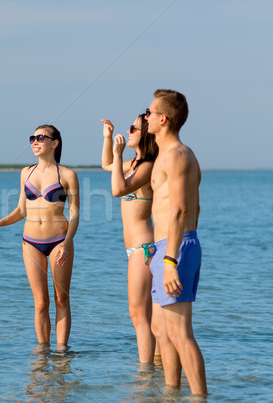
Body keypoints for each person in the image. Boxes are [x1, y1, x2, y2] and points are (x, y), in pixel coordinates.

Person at [0, 125, 79, 350]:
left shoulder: (67, 175)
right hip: (30, 242)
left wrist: (66, 242)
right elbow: (22, 210)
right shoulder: (26, 172)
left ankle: (62, 354)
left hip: (59, 241)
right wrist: (0, 222)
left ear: (54, 143)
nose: (35, 141)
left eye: (41, 138)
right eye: (32, 138)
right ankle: (43, 354)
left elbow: (74, 214)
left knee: (61, 300)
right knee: (40, 303)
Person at [145, 89, 206, 394]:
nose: (146, 117)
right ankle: (172, 395)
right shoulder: (164, 157)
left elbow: (182, 209)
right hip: (165, 248)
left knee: (180, 333)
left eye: (149, 112)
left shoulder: (178, 156)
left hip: (176, 248)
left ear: (163, 119)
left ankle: (199, 398)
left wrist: (170, 260)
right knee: (163, 332)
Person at [101, 115, 159, 364]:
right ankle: (157, 368)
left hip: (143, 247)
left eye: (134, 127)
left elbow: (117, 190)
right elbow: (107, 166)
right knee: (147, 315)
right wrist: (107, 140)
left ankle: (145, 375)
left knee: (138, 314)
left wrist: (118, 152)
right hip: (136, 248)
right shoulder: (134, 163)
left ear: (145, 134)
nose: (129, 130)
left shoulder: (146, 166)